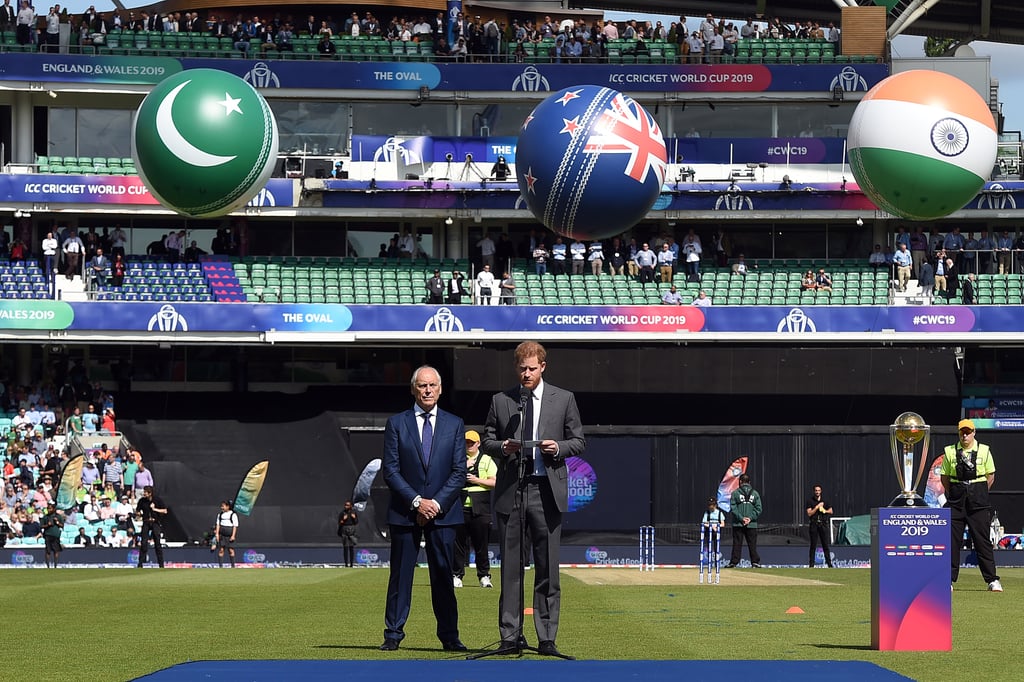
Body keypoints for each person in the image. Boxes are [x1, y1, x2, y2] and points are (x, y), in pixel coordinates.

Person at [482, 341, 585, 657]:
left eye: (532, 368)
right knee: (510, 568)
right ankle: (510, 636)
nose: (526, 373)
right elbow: (486, 440)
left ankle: (546, 638)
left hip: (546, 489)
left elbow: (579, 441)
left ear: (543, 366)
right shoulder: (502, 401)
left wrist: (559, 448)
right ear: (516, 368)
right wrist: (503, 447)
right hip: (512, 489)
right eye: (522, 368)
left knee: (547, 568)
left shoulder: (563, 399)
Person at [380, 366, 466, 652]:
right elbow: (391, 471)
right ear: (413, 389)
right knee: (401, 577)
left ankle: (450, 637)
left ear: (440, 389)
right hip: (405, 513)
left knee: (443, 577)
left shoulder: (454, 424)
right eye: (421, 386)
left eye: (432, 385)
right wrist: (417, 502)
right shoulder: (396, 423)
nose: (427, 390)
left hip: (443, 515)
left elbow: (458, 471)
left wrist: (435, 504)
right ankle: (393, 634)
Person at [940, 418, 1001, 592]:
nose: (965, 435)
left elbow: (991, 476)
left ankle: (992, 580)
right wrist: (956, 492)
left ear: (974, 432)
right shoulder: (950, 451)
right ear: (958, 433)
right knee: (951, 542)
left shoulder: (984, 450)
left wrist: (978, 491)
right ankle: (948, 580)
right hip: (956, 501)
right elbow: (945, 478)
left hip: (978, 500)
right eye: (962, 432)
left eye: (968, 432)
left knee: (982, 541)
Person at [453, 429, 496, 589]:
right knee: (458, 544)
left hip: (481, 508)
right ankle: (456, 575)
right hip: (460, 506)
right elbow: (449, 477)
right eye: (466, 442)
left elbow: (494, 482)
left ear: (478, 443)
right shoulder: (458, 459)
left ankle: (484, 576)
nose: (469, 445)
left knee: (481, 545)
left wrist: (477, 480)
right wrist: (464, 467)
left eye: (472, 442)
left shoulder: (486, 459)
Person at [726, 474, 762, 568]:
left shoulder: (735, 493)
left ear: (740, 482)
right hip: (752, 524)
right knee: (752, 544)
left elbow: (733, 508)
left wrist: (741, 518)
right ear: (749, 482)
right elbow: (758, 508)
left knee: (737, 544)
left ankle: (734, 562)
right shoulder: (755, 493)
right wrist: (750, 518)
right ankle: (755, 562)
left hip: (738, 523)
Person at [136, 485, 167, 568]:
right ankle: (140, 563)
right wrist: (138, 514)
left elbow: (165, 511)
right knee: (144, 543)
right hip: (146, 522)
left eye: (145, 492)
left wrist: (155, 509)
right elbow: (138, 511)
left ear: (150, 493)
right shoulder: (142, 501)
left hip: (155, 522)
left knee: (157, 543)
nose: (144, 493)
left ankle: (161, 564)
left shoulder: (157, 500)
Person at [806, 485, 833, 568]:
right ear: (814, 491)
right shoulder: (810, 501)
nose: (817, 492)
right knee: (813, 545)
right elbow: (809, 513)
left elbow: (831, 511)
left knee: (825, 545)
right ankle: (811, 565)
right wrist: (817, 507)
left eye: (819, 490)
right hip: (814, 524)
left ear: (821, 491)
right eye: (816, 490)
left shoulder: (825, 501)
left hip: (823, 524)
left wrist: (824, 510)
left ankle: (829, 564)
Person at [215, 500, 238, 568]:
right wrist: (217, 534)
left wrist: (233, 536)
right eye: (221, 506)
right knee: (221, 550)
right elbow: (218, 525)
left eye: (223, 506)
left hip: (230, 536)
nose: (222, 507)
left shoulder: (233, 514)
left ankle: (233, 566)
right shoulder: (220, 515)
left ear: (228, 506)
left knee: (231, 550)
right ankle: (220, 566)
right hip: (222, 535)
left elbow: (235, 526)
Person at [337, 500, 358, 567]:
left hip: (351, 530)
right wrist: (343, 519)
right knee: (345, 547)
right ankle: (346, 564)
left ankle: (351, 564)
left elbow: (356, 522)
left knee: (351, 547)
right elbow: (339, 522)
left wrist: (354, 518)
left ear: (350, 506)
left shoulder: (353, 513)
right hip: (344, 529)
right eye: (345, 505)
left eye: (347, 505)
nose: (346, 506)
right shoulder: (342, 513)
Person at [42, 502, 63, 568]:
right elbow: (41, 526)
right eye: (48, 508)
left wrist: (57, 522)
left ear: (53, 509)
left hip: (55, 535)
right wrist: (47, 525)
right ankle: (48, 566)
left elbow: (62, 525)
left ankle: (55, 566)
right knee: (48, 551)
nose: (49, 510)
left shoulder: (58, 516)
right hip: (48, 535)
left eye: (50, 508)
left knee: (56, 551)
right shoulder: (45, 517)